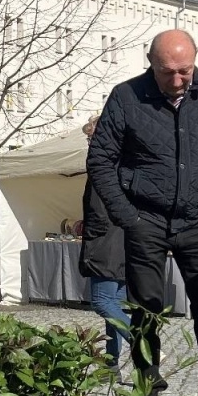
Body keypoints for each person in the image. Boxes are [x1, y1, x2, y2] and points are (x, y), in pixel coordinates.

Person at [86, 29, 198, 396]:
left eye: (185, 70)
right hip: (147, 220)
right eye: (167, 72)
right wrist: (128, 217)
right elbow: (100, 160)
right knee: (146, 311)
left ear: (195, 60)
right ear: (150, 62)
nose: (177, 80)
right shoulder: (126, 96)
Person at [79, 117, 127, 366]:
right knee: (113, 306)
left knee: (102, 301)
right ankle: (111, 365)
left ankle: (144, 342)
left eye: (90, 137)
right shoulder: (125, 162)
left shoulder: (103, 164)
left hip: (106, 243)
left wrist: (91, 232)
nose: (88, 142)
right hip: (121, 240)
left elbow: (99, 209)